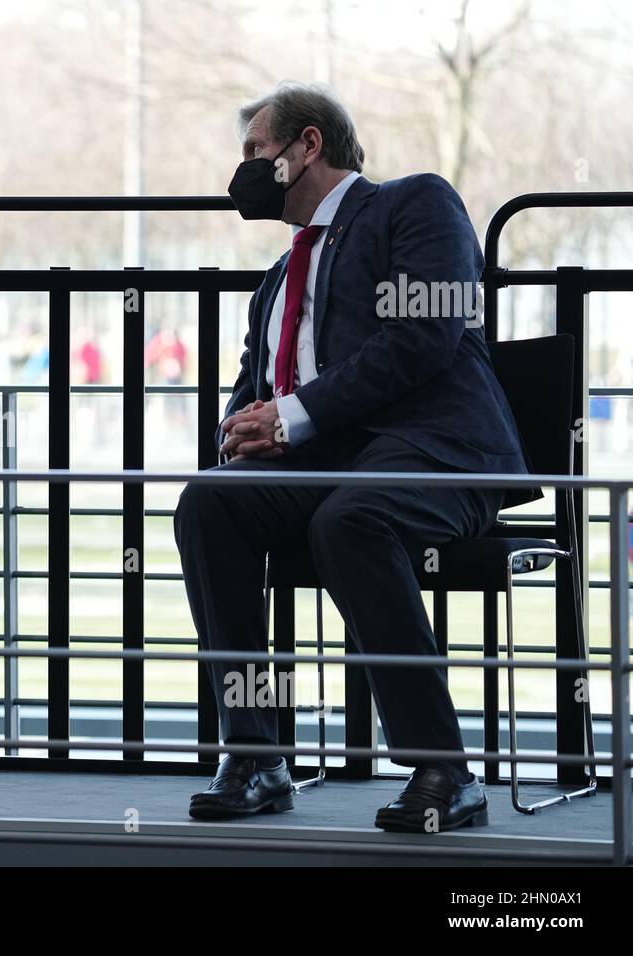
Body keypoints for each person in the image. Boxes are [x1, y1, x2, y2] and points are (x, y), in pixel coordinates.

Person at [173, 82, 528, 833]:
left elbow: (421, 340)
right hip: (331, 466)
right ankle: (256, 754)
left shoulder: (414, 204)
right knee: (210, 501)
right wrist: (239, 432)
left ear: (308, 144)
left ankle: (443, 769)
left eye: (255, 152)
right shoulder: (276, 281)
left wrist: (294, 417)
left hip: (437, 453)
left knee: (352, 519)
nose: (242, 170)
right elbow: (253, 393)